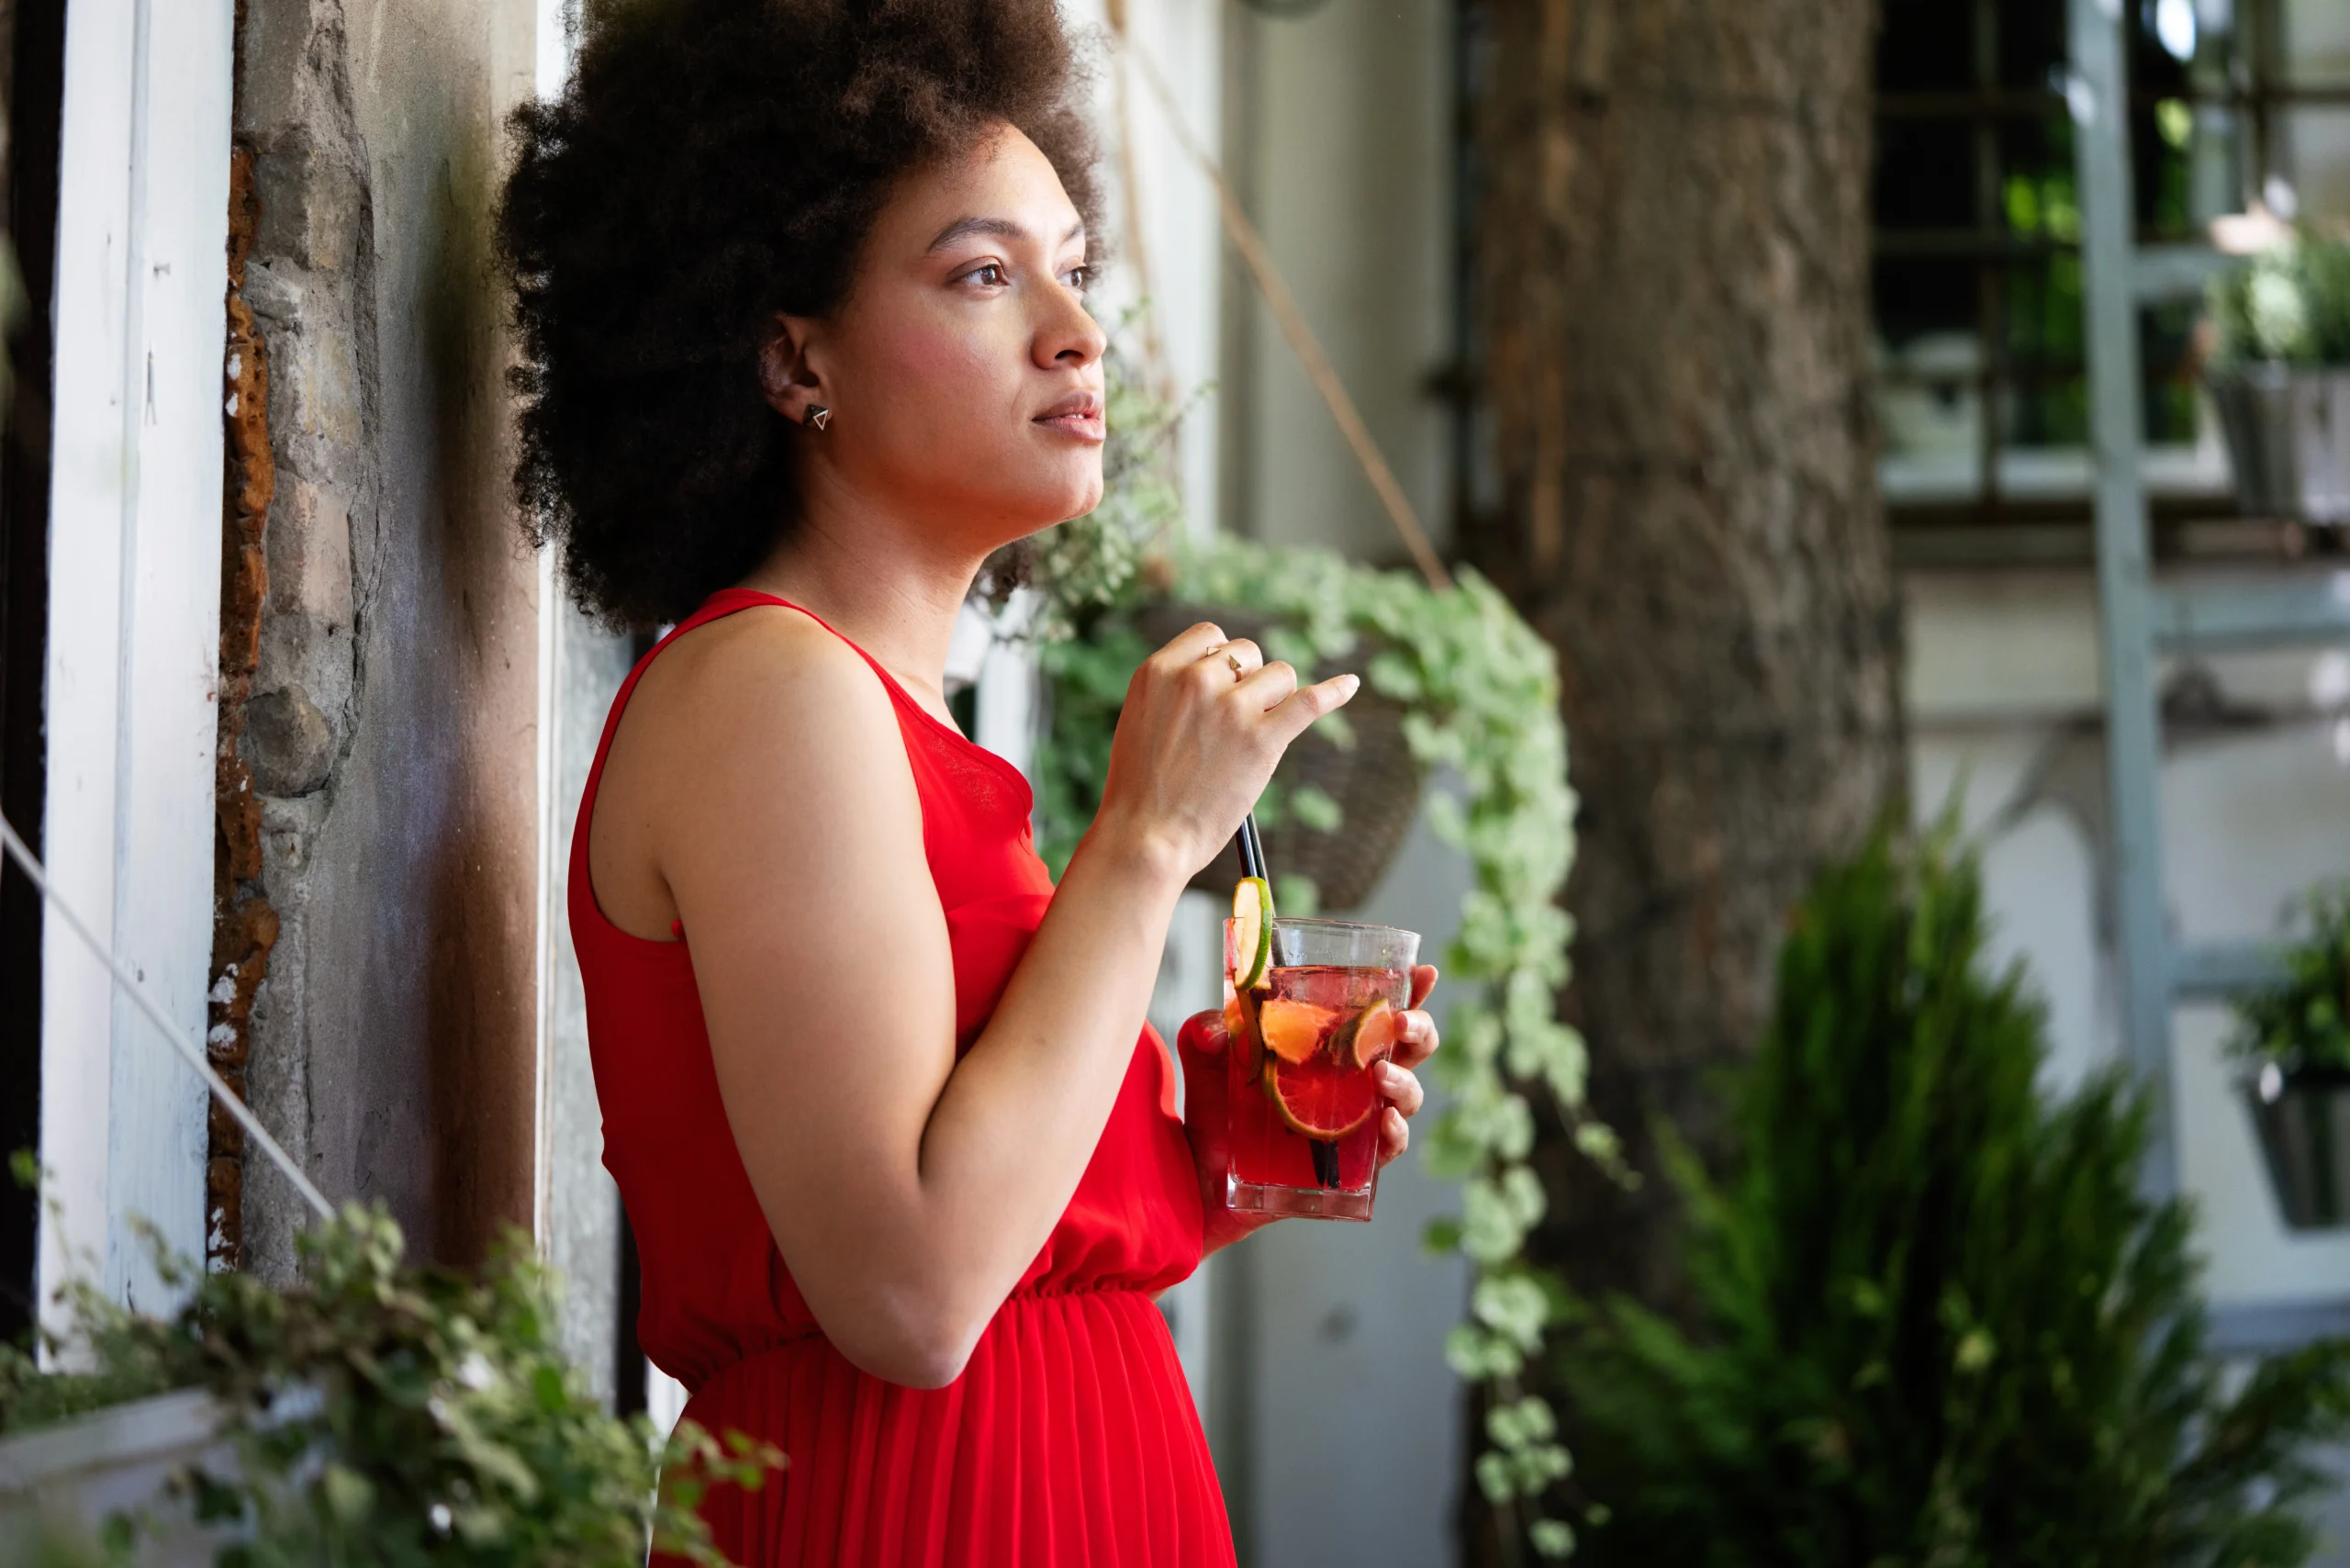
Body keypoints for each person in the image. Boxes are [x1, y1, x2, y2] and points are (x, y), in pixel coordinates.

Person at [500, 3, 1439, 1562]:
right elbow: (915, 1293)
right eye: (986, 274)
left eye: (1075, 268)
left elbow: (999, 1224)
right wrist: (1144, 843)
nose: (1075, 330)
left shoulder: (893, 730)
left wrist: (1209, 1150)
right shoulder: (767, 692)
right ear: (792, 354)